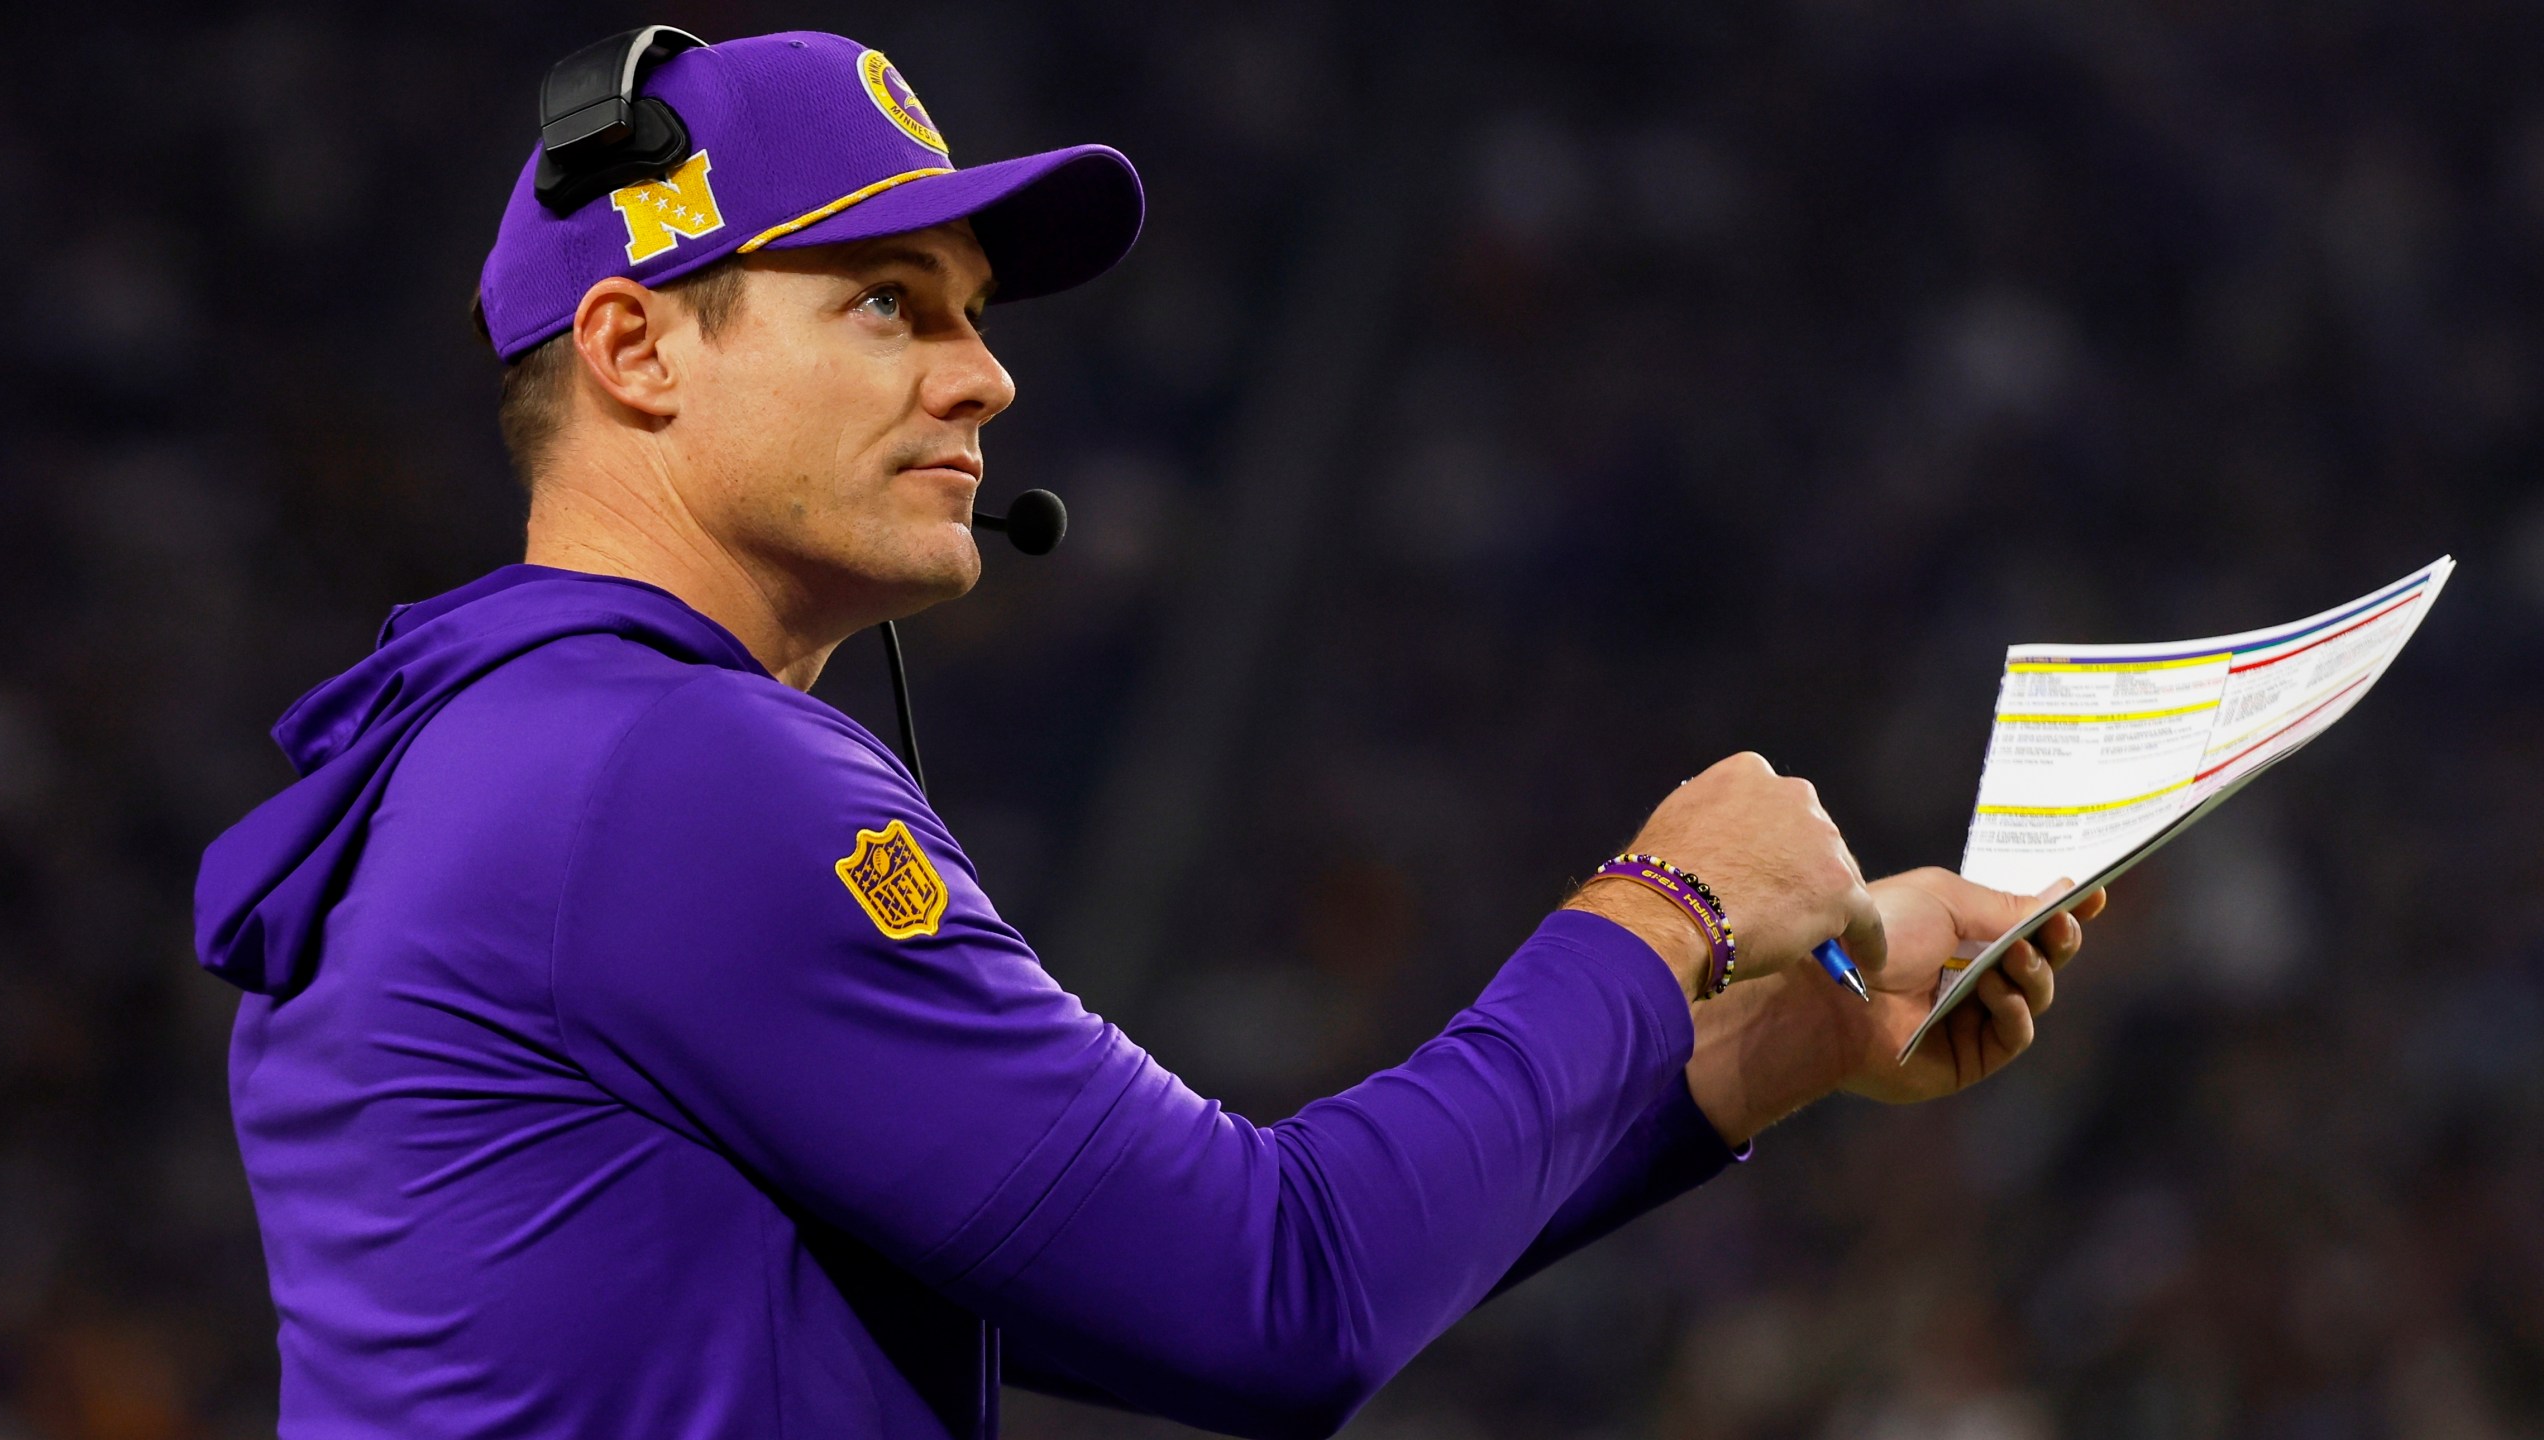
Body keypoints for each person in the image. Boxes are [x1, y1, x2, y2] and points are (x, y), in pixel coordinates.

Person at [192, 28, 2105, 1440]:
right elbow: (1273, 1301)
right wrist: (1668, 899)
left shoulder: (510, 752)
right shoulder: (666, 774)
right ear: (632, 353)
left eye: (967, 309)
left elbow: (1136, 1292)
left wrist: (1760, 1058)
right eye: (882, 303)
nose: (988, 370)